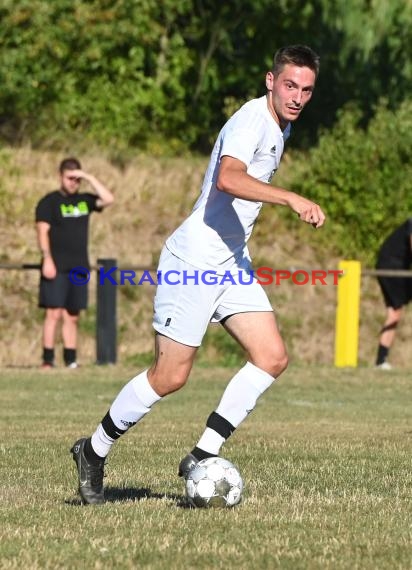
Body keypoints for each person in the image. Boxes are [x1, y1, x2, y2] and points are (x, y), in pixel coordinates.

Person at [70, 45, 325, 505]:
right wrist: (289, 197)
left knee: (271, 356)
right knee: (169, 377)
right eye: (290, 85)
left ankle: (202, 452)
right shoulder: (252, 121)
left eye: (306, 89)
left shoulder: (281, 125)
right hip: (193, 263)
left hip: (230, 262)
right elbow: (228, 178)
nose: (297, 97)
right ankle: (93, 450)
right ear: (271, 80)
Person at [35, 157, 114, 369]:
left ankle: (71, 360)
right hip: (56, 265)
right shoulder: (49, 202)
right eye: (70, 178)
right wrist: (47, 259)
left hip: (79, 266)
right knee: (54, 313)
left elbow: (108, 199)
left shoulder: (85, 201)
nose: (73, 183)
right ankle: (47, 360)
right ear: (60, 176)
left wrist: (89, 177)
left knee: (72, 315)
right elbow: (42, 231)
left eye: (76, 179)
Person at [375, 218, 412, 370]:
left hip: (393, 268)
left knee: (394, 314)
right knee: (395, 312)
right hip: (391, 268)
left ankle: (380, 360)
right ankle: (380, 361)